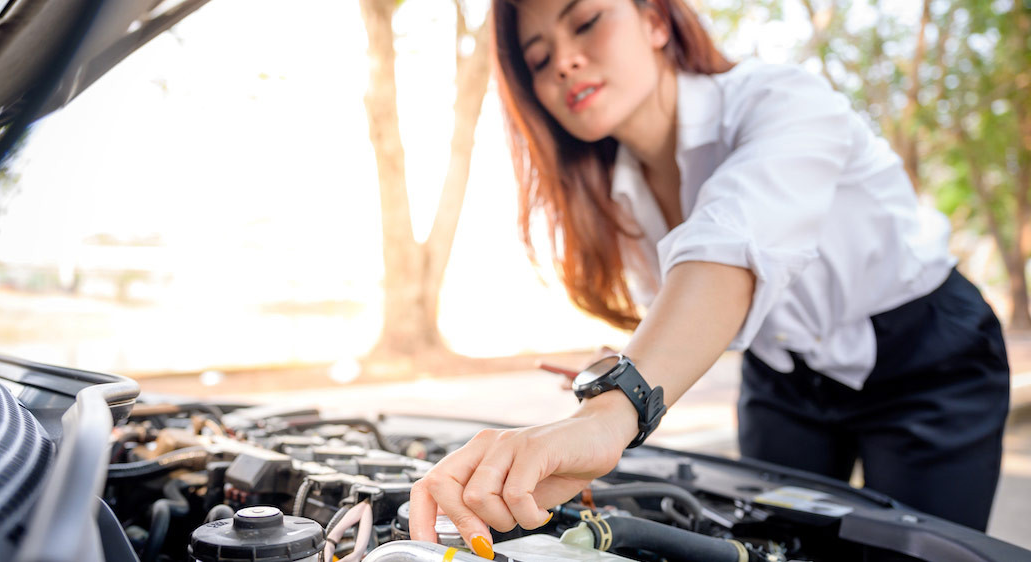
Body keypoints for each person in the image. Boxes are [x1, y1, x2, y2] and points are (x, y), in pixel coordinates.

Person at [408, 0, 1011, 558]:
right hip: (782, 378)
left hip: (928, 356)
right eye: (539, 59)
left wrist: (613, 407)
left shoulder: (783, 99)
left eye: (587, 21)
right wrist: (626, 365)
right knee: (770, 546)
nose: (564, 61)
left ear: (656, 22)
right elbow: (693, 307)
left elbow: (730, 247)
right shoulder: (613, 198)